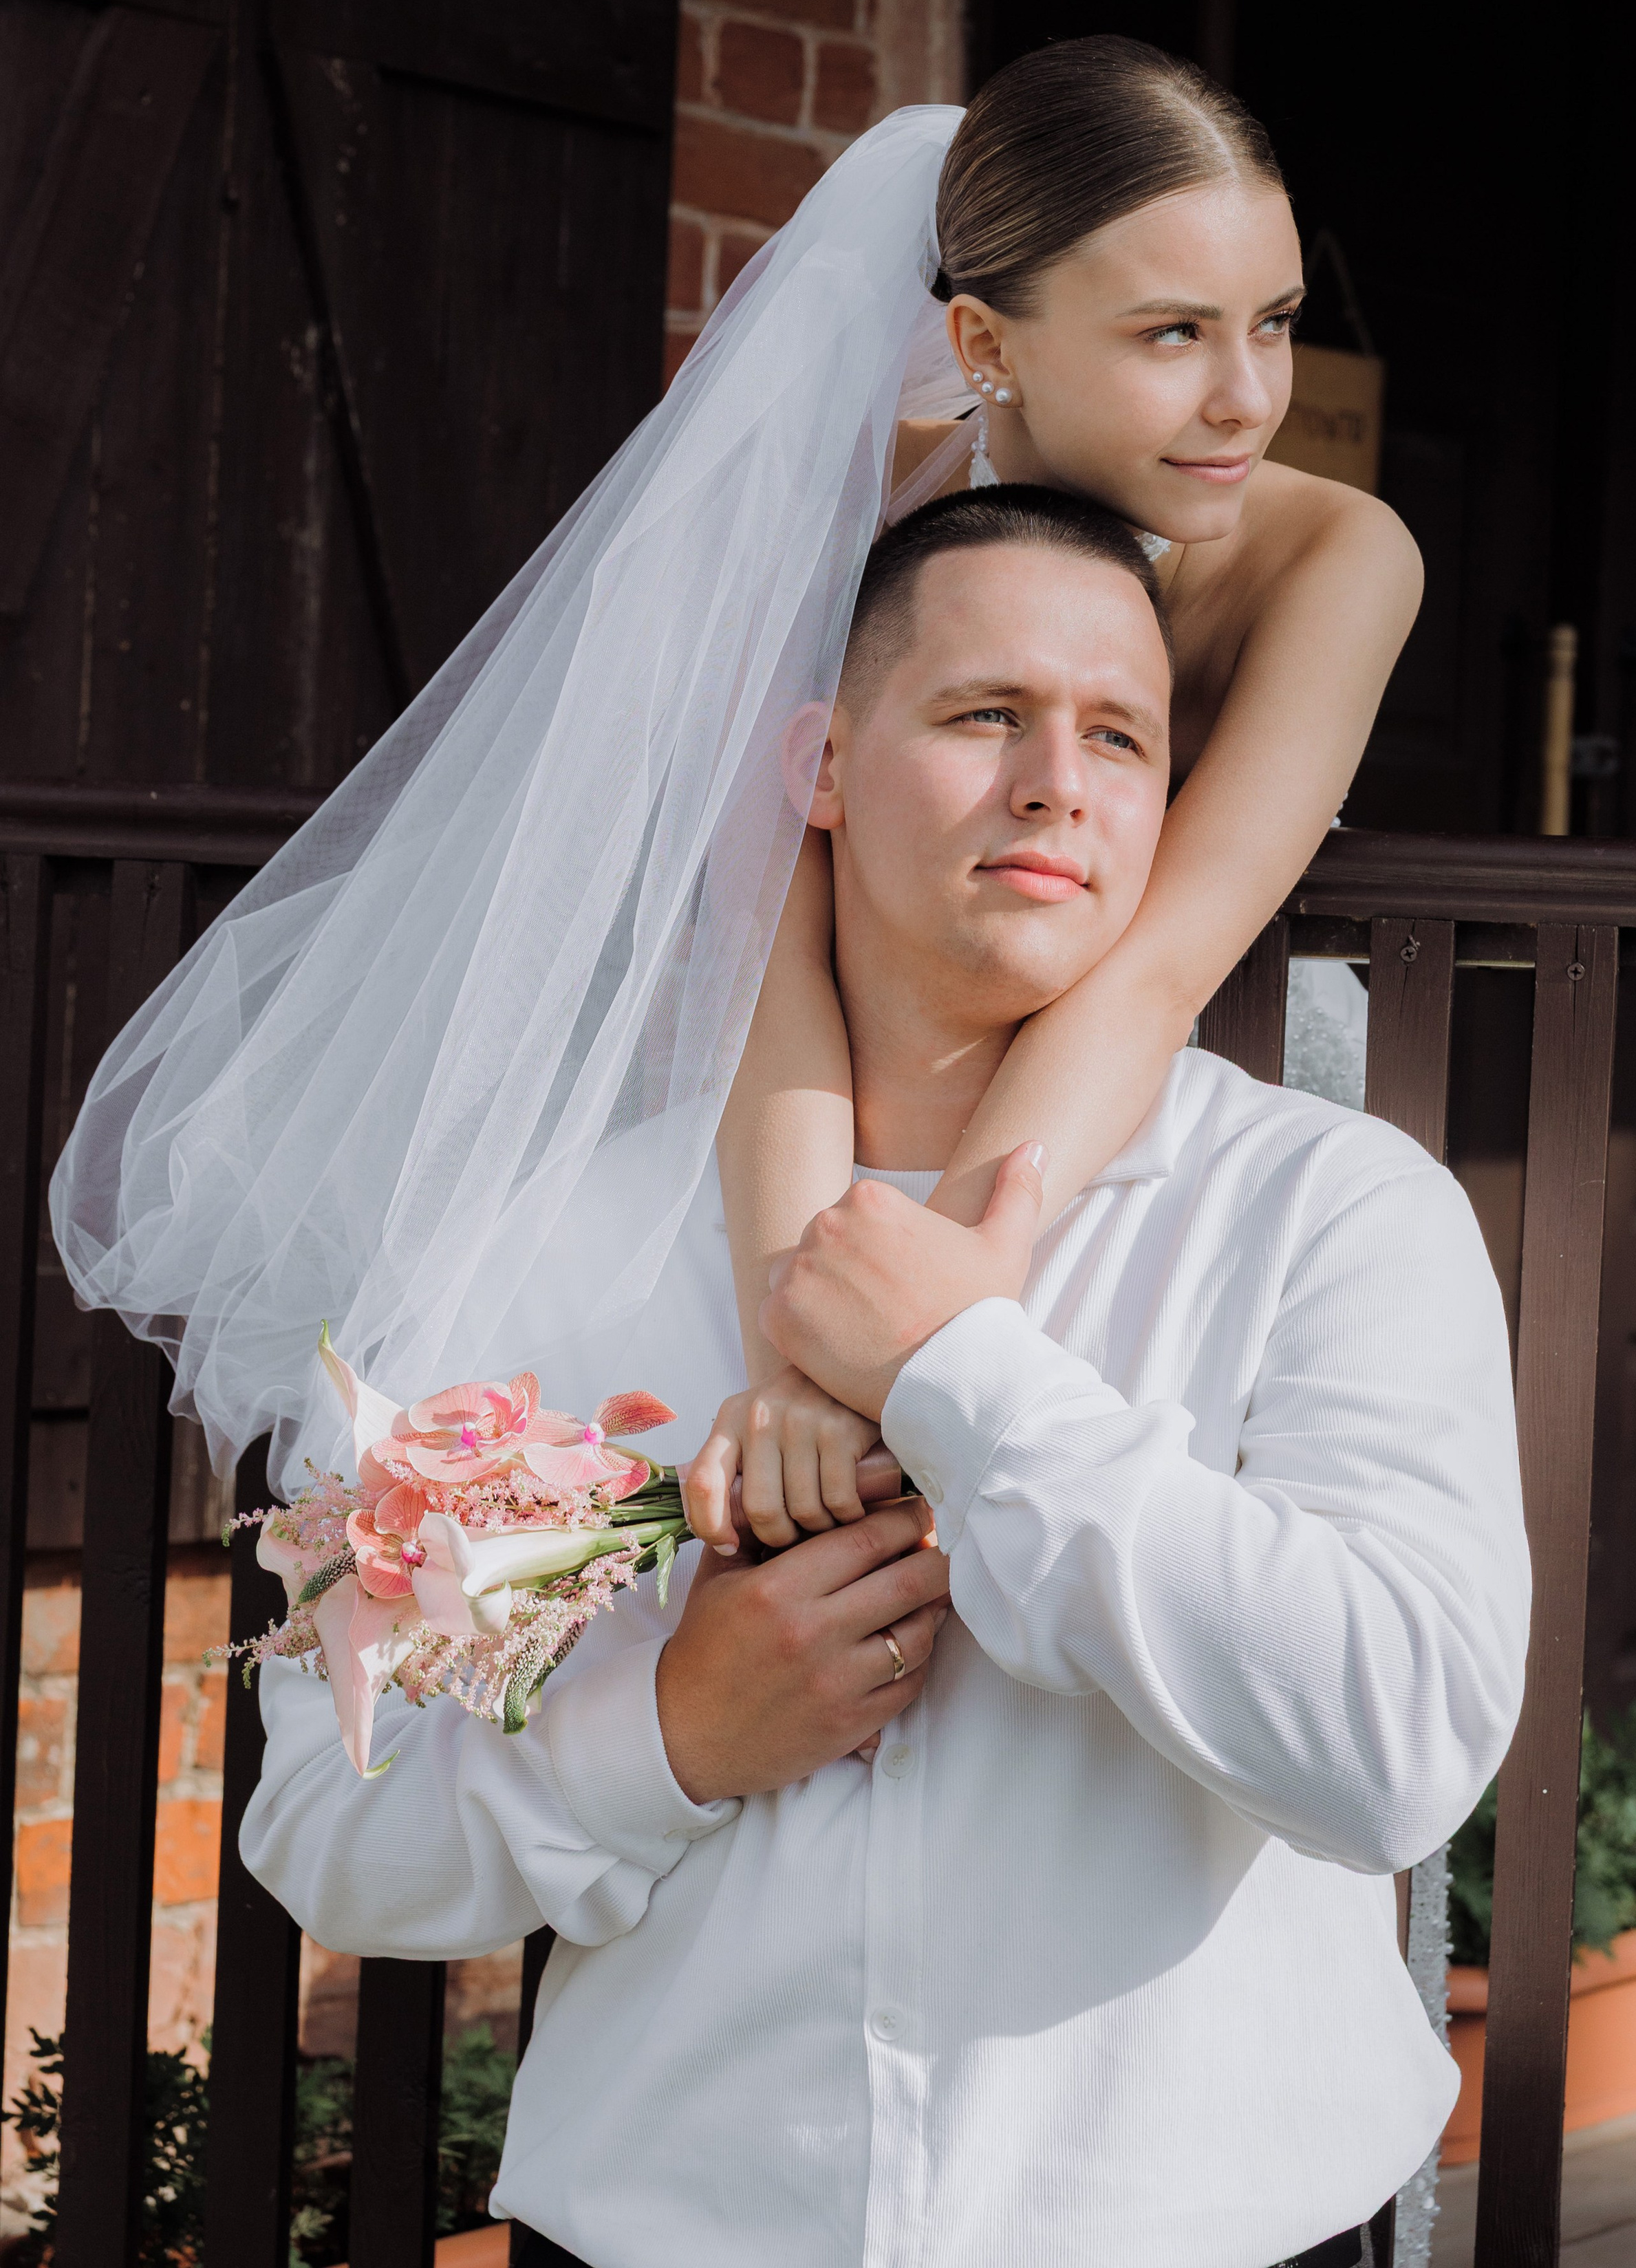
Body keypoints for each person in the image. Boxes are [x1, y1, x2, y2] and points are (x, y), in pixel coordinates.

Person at [239, 487, 1529, 2268]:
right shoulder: (529, 1258)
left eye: (1120, 735)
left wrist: (966, 1375)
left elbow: (1398, 1751)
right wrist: (669, 1736)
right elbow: (326, 1833)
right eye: (986, 713)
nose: (1056, 782)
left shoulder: (1328, 1209)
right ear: (821, 761)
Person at [696, 36, 1421, 1551]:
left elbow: (1152, 970)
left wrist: (920, 1326)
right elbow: (761, 950)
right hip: (818, 1139)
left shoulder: (1331, 557)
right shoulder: (823, 509)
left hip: (1164, 1112)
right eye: (1171, 333)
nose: (1245, 400)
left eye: (1273, 325)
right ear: (982, 343)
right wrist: (800, 1346)